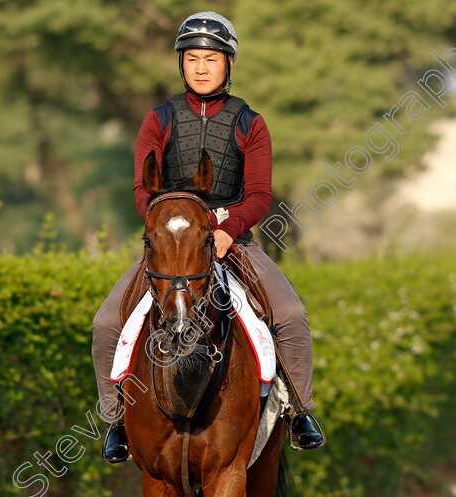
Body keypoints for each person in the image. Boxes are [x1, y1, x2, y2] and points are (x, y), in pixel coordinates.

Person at [91, 11, 323, 464]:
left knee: (292, 316)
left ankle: (301, 412)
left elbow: (259, 194)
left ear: (228, 63)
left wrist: (225, 230)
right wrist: (165, 231)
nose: (200, 67)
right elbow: (143, 188)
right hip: (172, 246)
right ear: (182, 64)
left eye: (211, 58)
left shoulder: (250, 123)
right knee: (105, 324)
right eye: (192, 58)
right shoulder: (157, 119)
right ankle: (116, 419)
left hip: (234, 242)